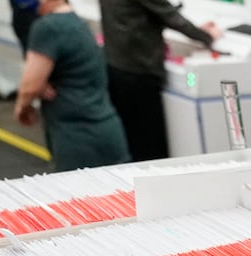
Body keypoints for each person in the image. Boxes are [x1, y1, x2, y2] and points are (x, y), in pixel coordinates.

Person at [14, 0, 131, 172]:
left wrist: (21, 107)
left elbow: (30, 86)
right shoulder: (77, 22)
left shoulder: (48, 27)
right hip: (104, 131)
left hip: (77, 138)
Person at [101, 0, 222, 162]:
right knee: (150, 144)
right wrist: (207, 36)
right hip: (140, 69)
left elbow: (138, 15)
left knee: (134, 137)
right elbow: (168, 15)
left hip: (118, 64)